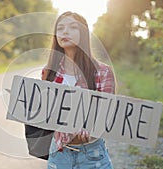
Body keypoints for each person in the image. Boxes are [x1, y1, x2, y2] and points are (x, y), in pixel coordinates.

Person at [41, 11, 115, 169]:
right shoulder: (49, 72)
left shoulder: (103, 72)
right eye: (60, 28)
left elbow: (106, 114)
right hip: (59, 154)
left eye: (72, 27)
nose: (65, 32)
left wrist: (90, 129)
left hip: (92, 155)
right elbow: (46, 113)